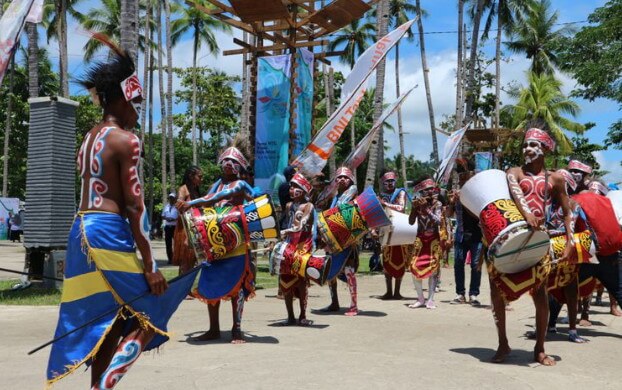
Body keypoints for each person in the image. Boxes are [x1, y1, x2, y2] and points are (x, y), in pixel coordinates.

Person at [46, 43, 193, 389]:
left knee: (108, 317)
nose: (138, 113)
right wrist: (151, 267)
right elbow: (134, 208)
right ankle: (103, 386)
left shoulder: (89, 137)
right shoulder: (126, 140)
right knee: (150, 312)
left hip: (80, 228)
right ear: (119, 101)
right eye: (135, 105)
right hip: (108, 231)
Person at [488, 128, 575, 366]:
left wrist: (571, 242)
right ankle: (503, 343)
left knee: (540, 295)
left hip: (539, 243)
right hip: (511, 239)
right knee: (496, 292)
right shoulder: (513, 173)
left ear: (545, 149)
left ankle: (539, 348)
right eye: (525, 144)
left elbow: (568, 212)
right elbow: (516, 194)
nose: (527, 149)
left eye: (533, 144)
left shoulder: (556, 179)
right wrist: (526, 214)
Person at [178, 145, 255, 343]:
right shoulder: (217, 183)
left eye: (233, 162)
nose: (228, 164)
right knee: (210, 280)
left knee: (237, 285)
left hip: (236, 239)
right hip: (215, 240)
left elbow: (213, 198)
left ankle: (236, 329)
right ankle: (214, 328)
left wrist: (191, 203)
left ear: (239, 166)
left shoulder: (240, 185)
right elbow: (207, 203)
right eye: (226, 161)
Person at [278, 173, 316, 326]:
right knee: (285, 277)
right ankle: (290, 316)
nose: (291, 190)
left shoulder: (309, 206)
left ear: (304, 190)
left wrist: (287, 232)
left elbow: (302, 224)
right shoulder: (288, 206)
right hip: (290, 243)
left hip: (303, 244)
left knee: (301, 280)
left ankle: (302, 315)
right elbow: (286, 223)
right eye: (291, 187)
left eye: (296, 187)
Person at [322, 167, 360, 316]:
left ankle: (354, 305)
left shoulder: (354, 196)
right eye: (339, 177)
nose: (342, 179)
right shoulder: (334, 198)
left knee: (349, 271)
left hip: (348, 241)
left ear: (351, 180)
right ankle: (334, 302)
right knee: (330, 272)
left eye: (345, 177)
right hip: (333, 241)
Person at [447, 160, 483, 306]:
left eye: (464, 177)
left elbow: (479, 214)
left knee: (476, 265)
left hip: (477, 235)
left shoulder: (478, 193)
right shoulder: (456, 194)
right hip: (461, 234)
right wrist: (451, 202)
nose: (462, 181)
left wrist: (465, 201)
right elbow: (449, 214)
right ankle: (460, 294)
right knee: (458, 263)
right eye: (460, 178)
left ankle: (473, 294)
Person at [408, 177, 444, 309]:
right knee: (413, 267)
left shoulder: (438, 204)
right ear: (421, 192)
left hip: (433, 240)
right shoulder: (418, 204)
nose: (430, 192)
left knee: (433, 270)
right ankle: (420, 298)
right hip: (420, 240)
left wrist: (426, 209)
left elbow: (438, 221)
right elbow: (411, 222)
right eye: (426, 190)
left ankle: (430, 299)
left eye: (431, 189)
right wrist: (414, 208)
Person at [378, 171, 411, 300]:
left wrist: (385, 204)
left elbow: (401, 207)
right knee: (386, 260)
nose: (390, 183)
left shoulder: (400, 192)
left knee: (399, 259)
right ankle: (388, 291)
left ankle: (397, 292)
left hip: (399, 229)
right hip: (386, 230)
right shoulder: (381, 195)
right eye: (387, 181)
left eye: (392, 181)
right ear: (383, 183)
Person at [174, 166, 203, 275]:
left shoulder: (195, 191)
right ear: (191, 176)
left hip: (195, 226)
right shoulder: (183, 189)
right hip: (185, 228)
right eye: (199, 177)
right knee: (186, 259)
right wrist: (181, 203)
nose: (201, 179)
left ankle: (187, 287)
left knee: (193, 259)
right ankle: (182, 287)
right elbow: (179, 205)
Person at [162, 193, 178, 264]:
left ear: (175, 199)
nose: (171, 199)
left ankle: (176, 258)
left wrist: (173, 219)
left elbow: (180, 216)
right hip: (168, 227)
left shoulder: (177, 207)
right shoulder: (166, 207)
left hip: (175, 227)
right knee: (168, 244)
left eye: (172, 198)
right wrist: (167, 218)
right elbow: (162, 216)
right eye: (170, 198)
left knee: (176, 244)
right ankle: (170, 259)